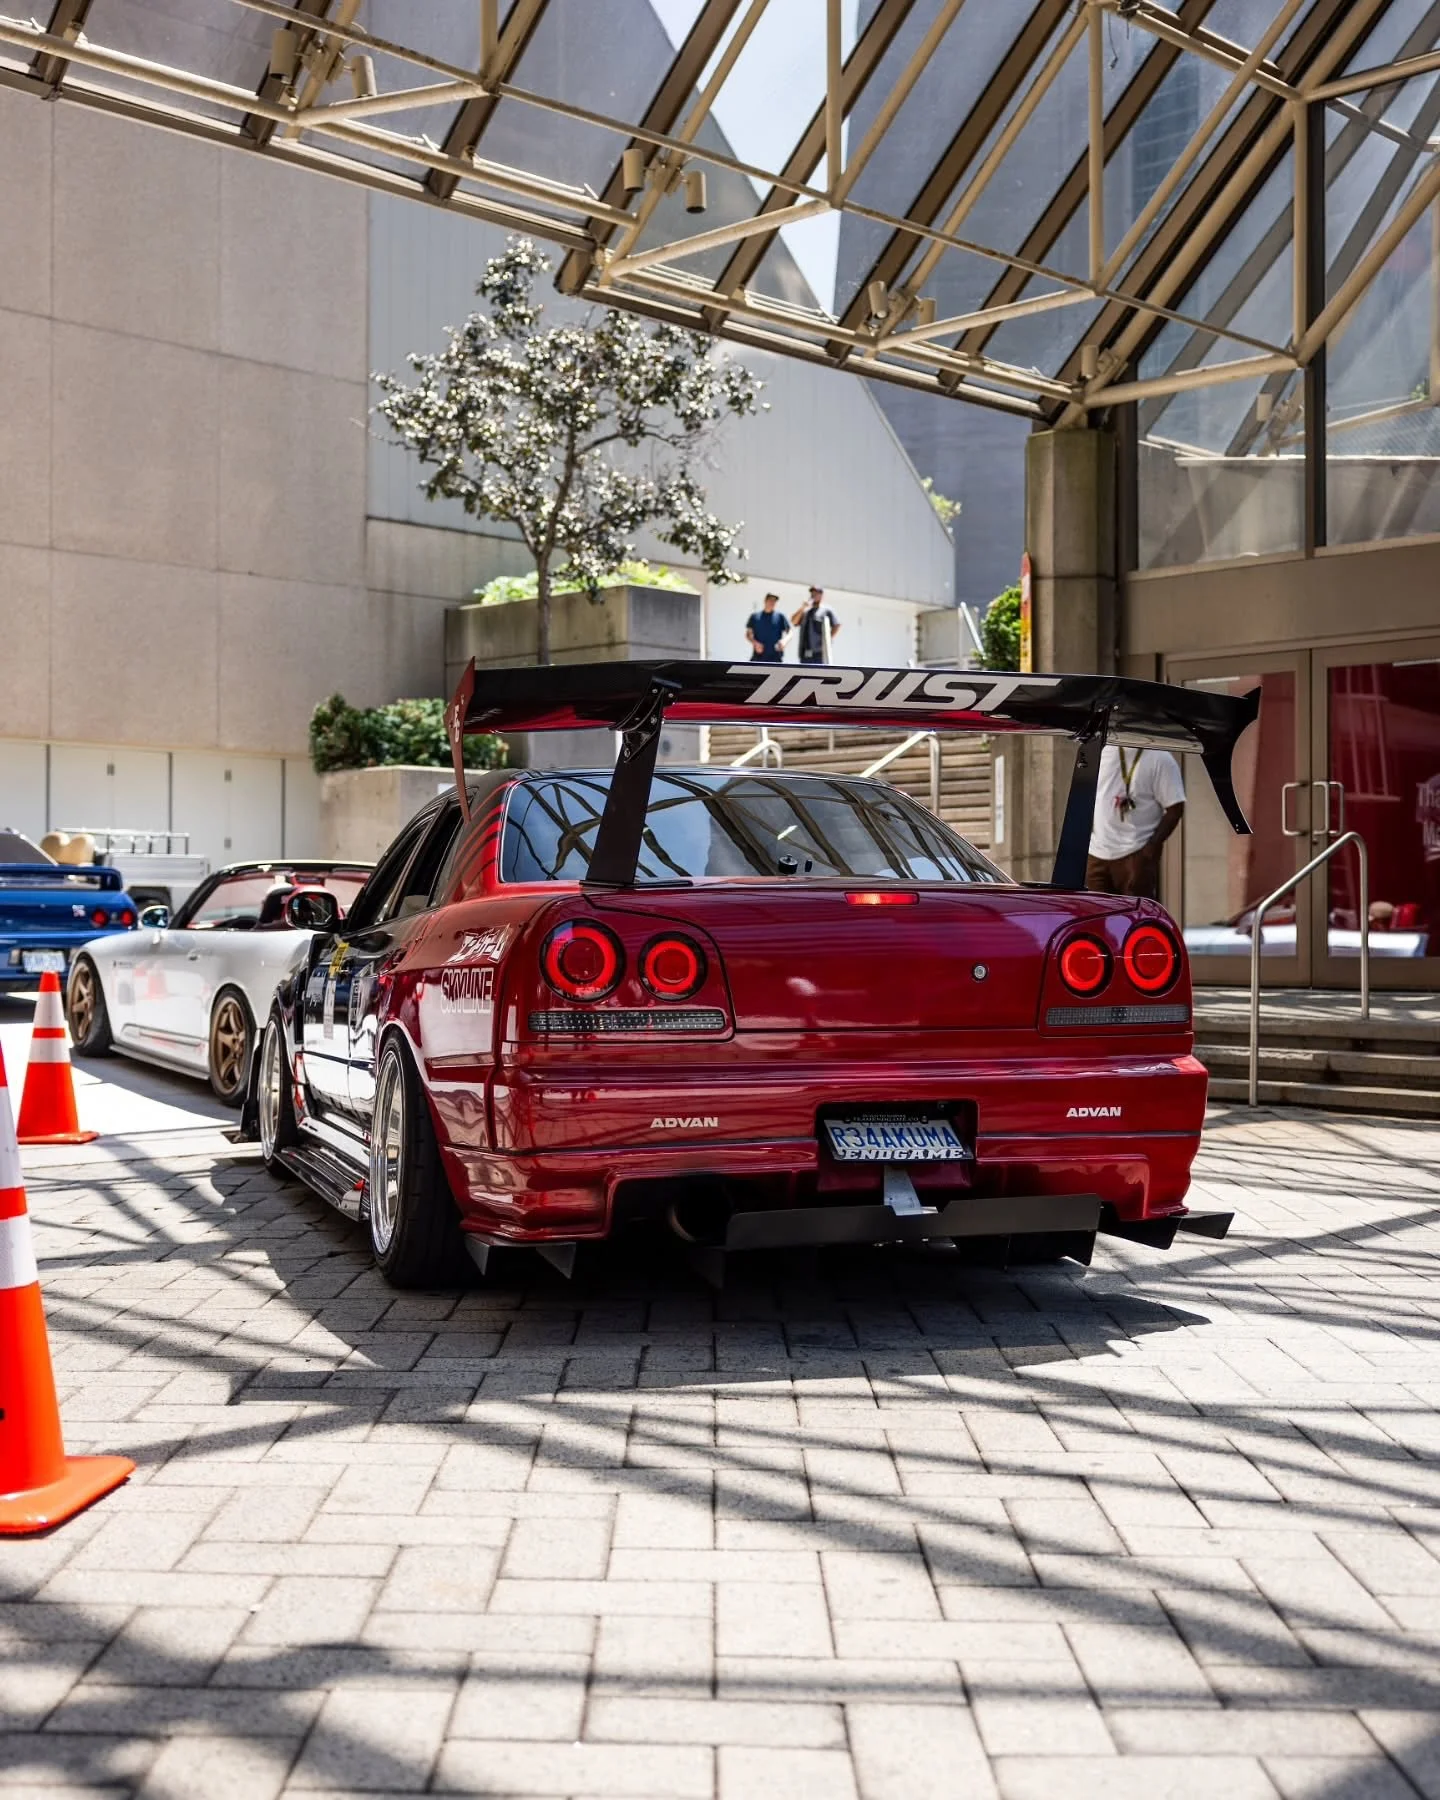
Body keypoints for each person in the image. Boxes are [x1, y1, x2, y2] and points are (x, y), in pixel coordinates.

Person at [1086, 744, 1184, 899]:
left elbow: (1175, 808)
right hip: (1096, 853)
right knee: (1097, 911)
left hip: (1135, 852)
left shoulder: (1160, 758)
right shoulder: (1102, 751)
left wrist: (1151, 847)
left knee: (1134, 911)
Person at [792, 586, 841, 664]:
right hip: (804, 654)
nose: (813, 595)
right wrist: (803, 607)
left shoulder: (827, 610)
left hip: (819, 654)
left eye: (816, 593)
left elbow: (837, 625)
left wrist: (827, 640)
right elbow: (794, 621)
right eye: (812, 593)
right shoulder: (806, 611)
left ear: (821, 595)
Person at [744, 591, 790, 663]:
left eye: (774, 601)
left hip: (776, 658)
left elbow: (790, 632)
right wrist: (755, 643)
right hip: (758, 658)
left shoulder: (780, 616)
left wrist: (784, 641)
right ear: (765, 601)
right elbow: (748, 634)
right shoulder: (755, 616)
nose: (772, 602)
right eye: (770, 600)